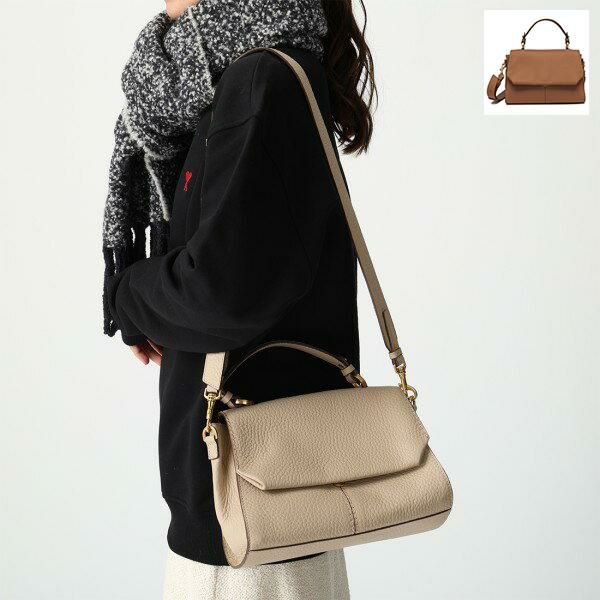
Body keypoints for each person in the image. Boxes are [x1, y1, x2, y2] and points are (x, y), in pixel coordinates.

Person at [102, 0, 377, 597]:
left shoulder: (261, 80)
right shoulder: (244, 78)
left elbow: (221, 293)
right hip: (263, 507)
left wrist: (128, 294)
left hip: (248, 535)